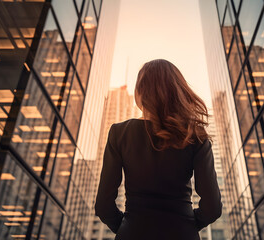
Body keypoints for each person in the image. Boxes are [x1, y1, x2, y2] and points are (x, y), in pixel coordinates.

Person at [94, 59, 222, 240]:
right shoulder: (196, 135)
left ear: (139, 92)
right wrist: (187, 225)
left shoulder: (119, 133)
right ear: (177, 92)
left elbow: (103, 206)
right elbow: (213, 208)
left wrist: (127, 228)